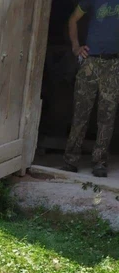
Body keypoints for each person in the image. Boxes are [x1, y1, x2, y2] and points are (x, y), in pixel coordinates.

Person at [63, 1, 119, 177]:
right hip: (90, 62)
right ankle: (71, 159)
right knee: (81, 112)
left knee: (107, 115)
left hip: (113, 64)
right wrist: (75, 47)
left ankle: (100, 162)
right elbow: (73, 19)